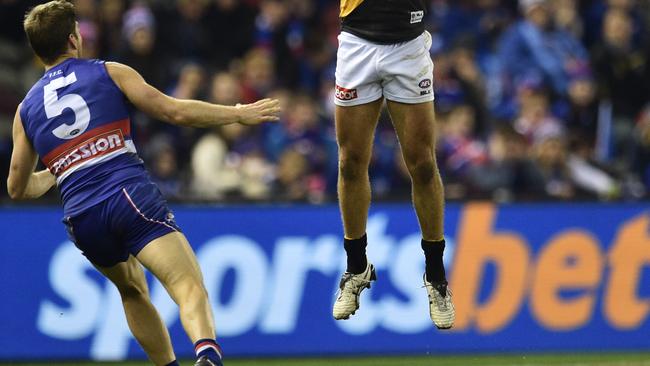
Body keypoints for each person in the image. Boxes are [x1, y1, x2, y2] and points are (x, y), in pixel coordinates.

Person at [7, 2, 279, 366]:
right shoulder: (108, 71)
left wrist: (62, 167)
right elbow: (174, 111)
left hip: (81, 216)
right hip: (126, 193)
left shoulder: (24, 111)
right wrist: (237, 114)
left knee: (131, 289)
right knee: (187, 284)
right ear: (74, 39)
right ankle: (208, 356)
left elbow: (16, 188)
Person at [333, 0, 454, 329]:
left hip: (408, 45)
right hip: (357, 43)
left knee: (423, 164)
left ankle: (436, 275)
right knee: (350, 162)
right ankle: (356, 267)